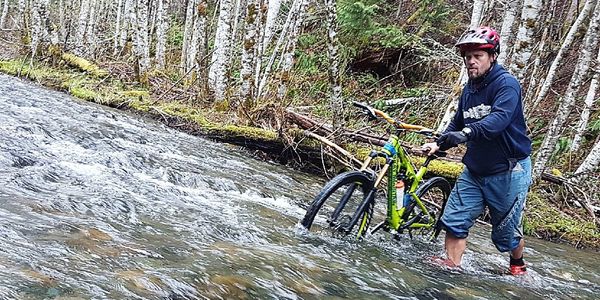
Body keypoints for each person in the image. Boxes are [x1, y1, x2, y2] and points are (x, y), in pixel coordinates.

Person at [422, 26, 532, 275]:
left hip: (508, 169)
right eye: (467, 57)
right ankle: (450, 267)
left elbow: (498, 121)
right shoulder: (469, 90)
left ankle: (517, 263)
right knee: (454, 221)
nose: (471, 61)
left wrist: (466, 134)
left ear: (492, 56)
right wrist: (439, 143)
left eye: (477, 56)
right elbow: (458, 122)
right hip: (474, 170)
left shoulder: (507, 85)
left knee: (506, 235)